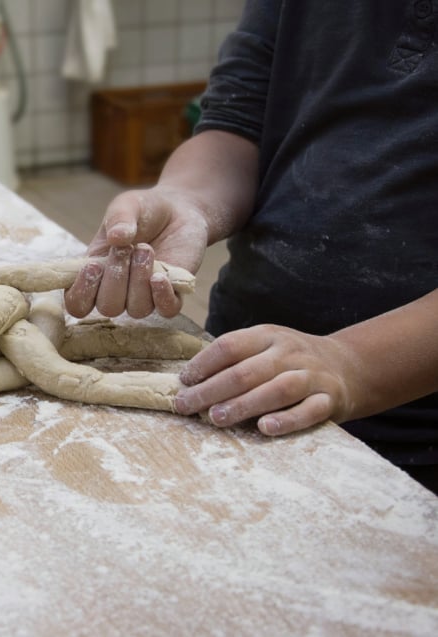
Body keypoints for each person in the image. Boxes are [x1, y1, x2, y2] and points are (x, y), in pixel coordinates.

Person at [64, 0, 438, 493]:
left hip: (413, 441)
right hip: (229, 372)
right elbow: (239, 121)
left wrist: (352, 365)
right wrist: (188, 200)